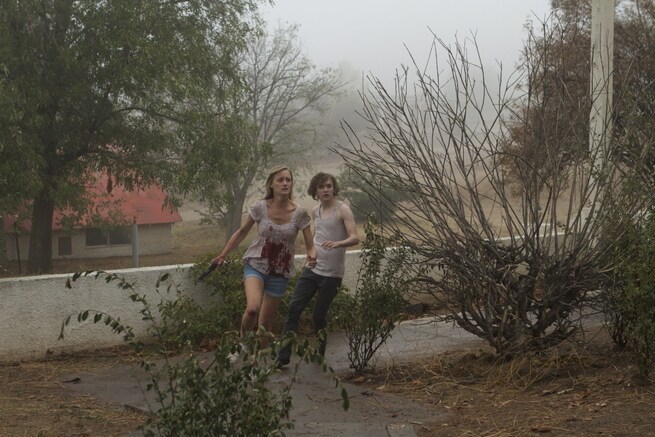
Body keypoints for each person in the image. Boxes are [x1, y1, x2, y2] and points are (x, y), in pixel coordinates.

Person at [210, 165, 316, 356]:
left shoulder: (300, 213)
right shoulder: (260, 207)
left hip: (280, 271)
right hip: (256, 264)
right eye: (280, 180)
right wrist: (223, 254)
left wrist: (312, 256)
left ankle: (257, 366)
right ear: (271, 184)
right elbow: (242, 232)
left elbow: (310, 244)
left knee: (264, 324)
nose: (284, 183)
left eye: (288, 180)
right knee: (252, 309)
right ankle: (241, 344)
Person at [277, 172, 359, 367]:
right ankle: (283, 357)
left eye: (329, 186)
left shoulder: (343, 210)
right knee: (294, 308)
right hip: (312, 269)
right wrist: (311, 252)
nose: (326, 190)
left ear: (334, 188)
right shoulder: (315, 211)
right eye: (321, 187)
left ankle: (319, 353)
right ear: (315, 191)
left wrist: (338, 244)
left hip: (332, 274)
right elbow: (316, 236)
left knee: (318, 315)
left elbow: (355, 237)